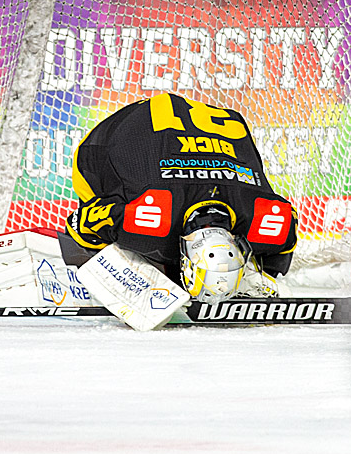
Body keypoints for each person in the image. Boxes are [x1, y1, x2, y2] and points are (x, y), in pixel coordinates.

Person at [61, 92, 298, 303]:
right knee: (117, 237)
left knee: (139, 233)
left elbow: (287, 230)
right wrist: (105, 261)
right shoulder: (147, 219)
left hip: (190, 144)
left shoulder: (269, 222)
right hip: (107, 139)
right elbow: (78, 224)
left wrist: (267, 273)